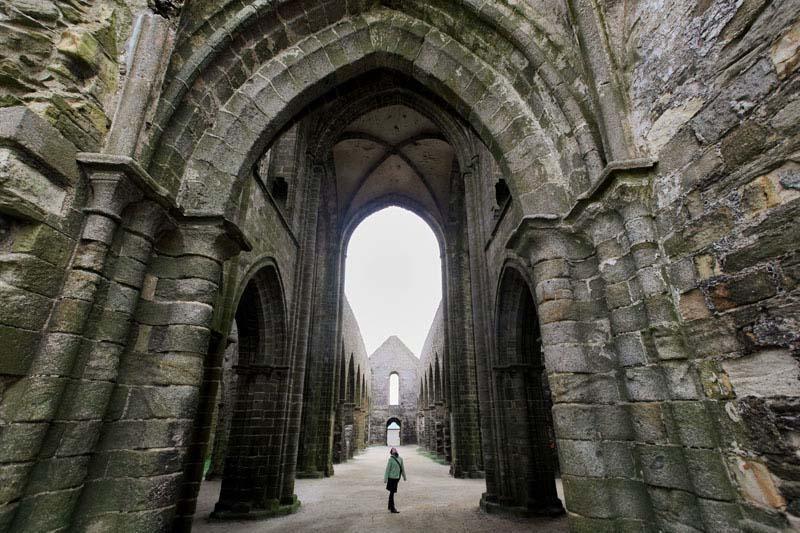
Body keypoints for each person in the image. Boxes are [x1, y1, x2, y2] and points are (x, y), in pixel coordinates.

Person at [383, 447, 406, 513]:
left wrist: (404, 477)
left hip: (397, 478)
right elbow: (387, 470)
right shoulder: (390, 460)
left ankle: (390, 506)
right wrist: (385, 479)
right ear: (391, 452)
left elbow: (402, 469)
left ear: (397, 451)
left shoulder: (400, 459)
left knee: (392, 493)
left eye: (395, 449)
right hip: (391, 478)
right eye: (393, 450)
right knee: (392, 493)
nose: (394, 450)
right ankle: (392, 508)